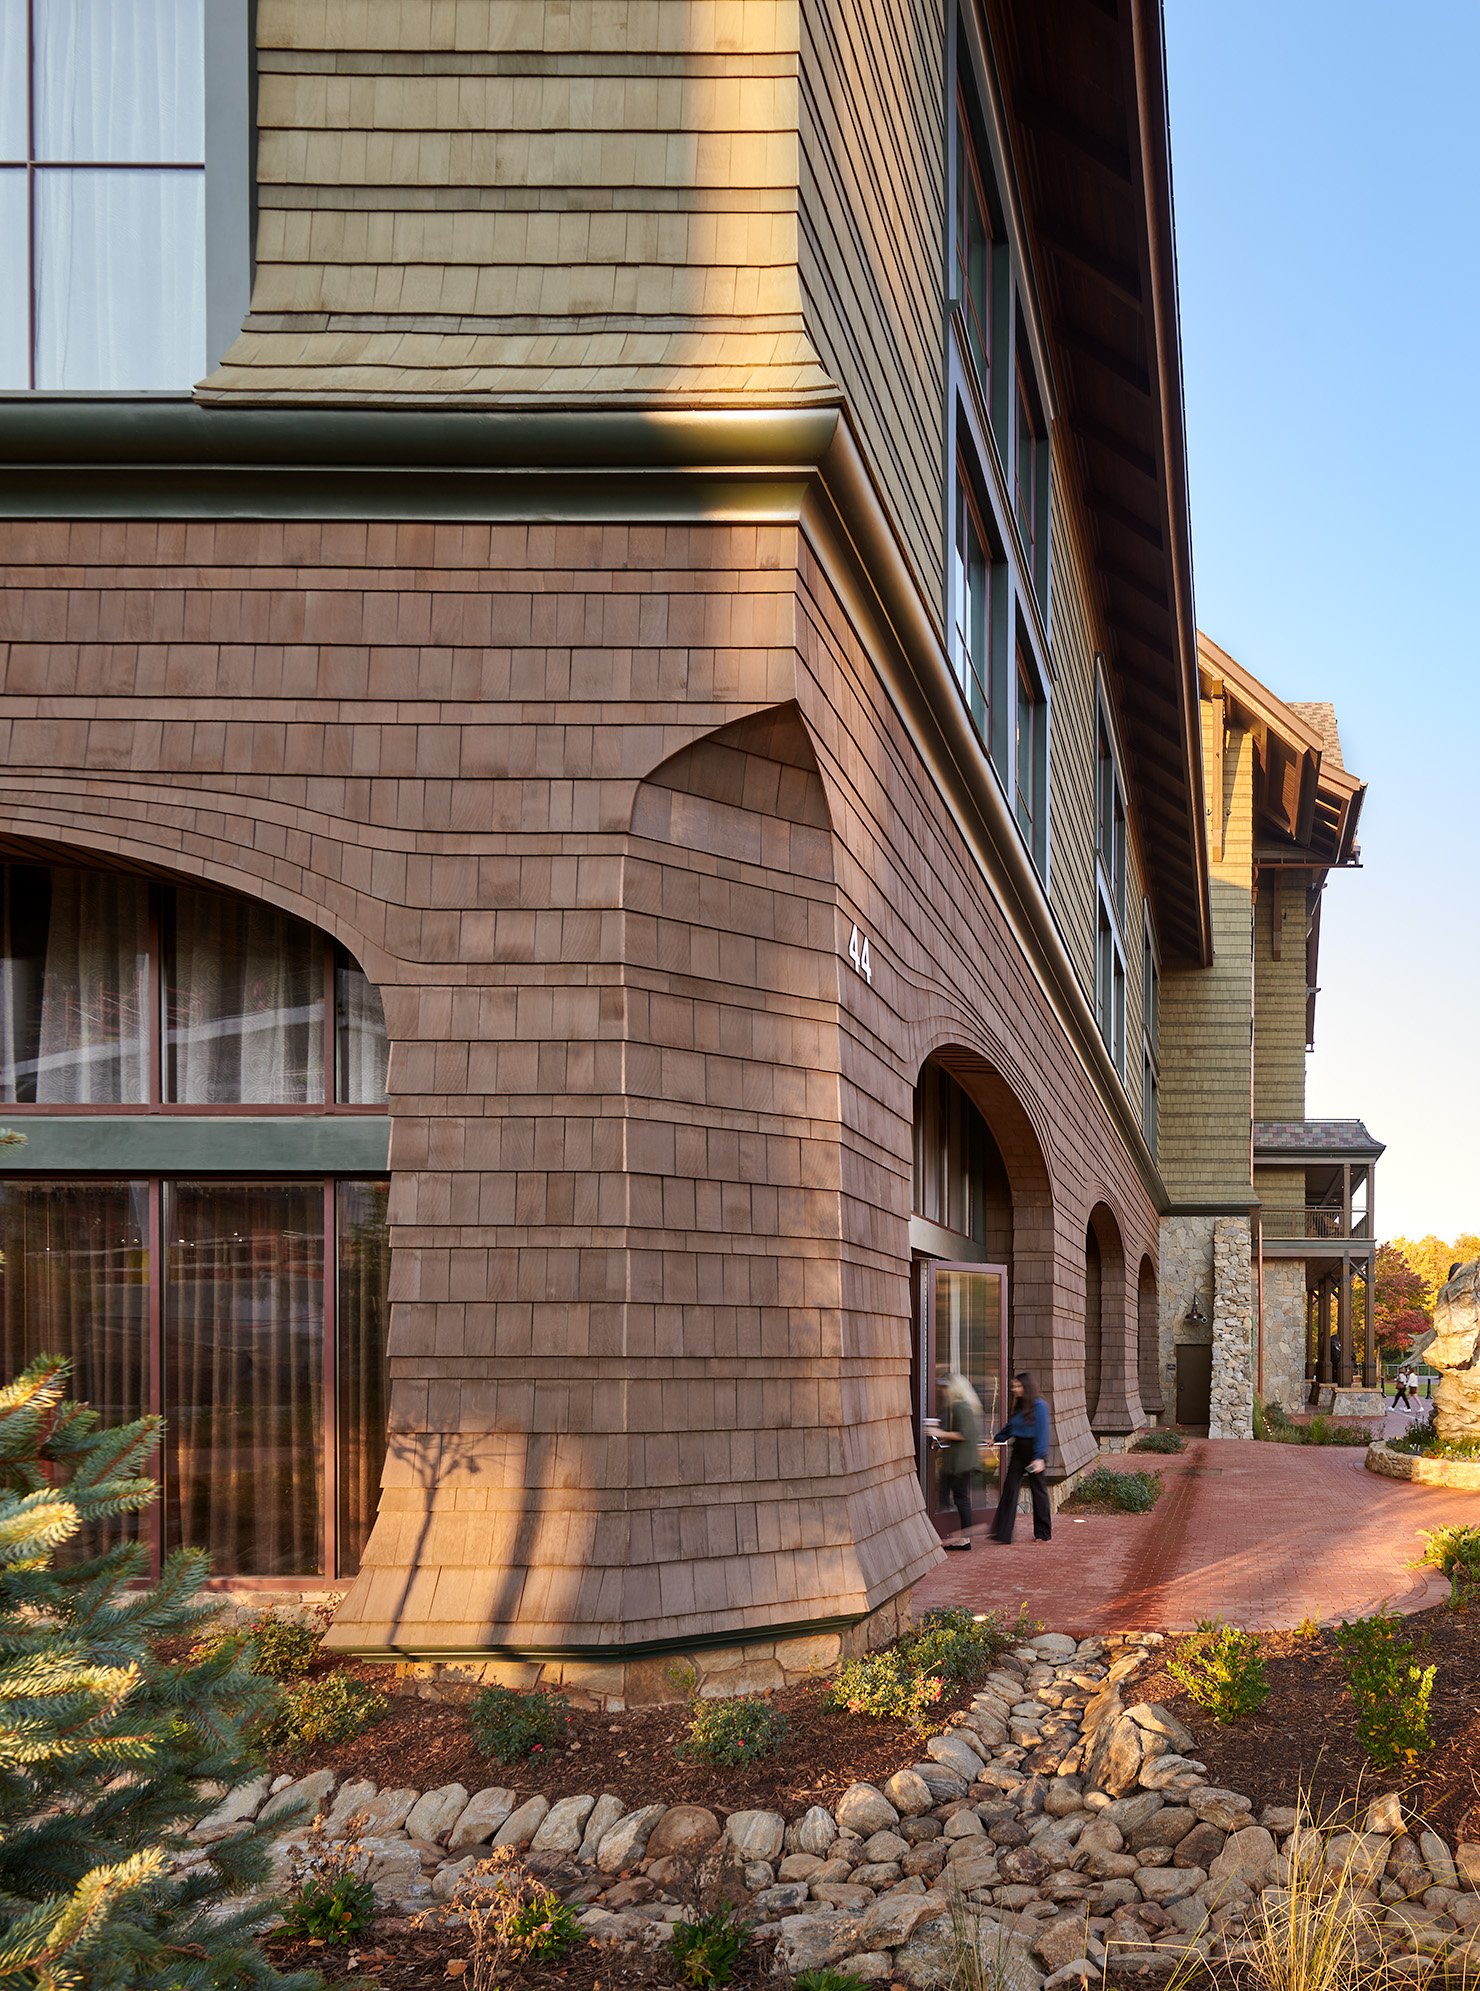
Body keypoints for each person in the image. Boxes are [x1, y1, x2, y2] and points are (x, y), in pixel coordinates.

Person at [992, 1371, 1052, 1544]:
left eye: (1018, 1386)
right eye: (1014, 1386)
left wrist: (1039, 1457)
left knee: (1038, 1491)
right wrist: (997, 1438)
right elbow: (1011, 1427)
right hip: (1019, 1450)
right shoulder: (1019, 1405)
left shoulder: (1039, 1406)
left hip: (1034, 1451)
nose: (1014, 1389)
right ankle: (1002, 1533)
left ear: (1027, 1387)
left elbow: (1042, 1432)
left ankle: (1043, 1533)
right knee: (1010, 1488)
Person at [936, 1373, 982, 1550]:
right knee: (957, 1497)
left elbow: (963, 1434)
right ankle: (963, 1538)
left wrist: (940, 1433)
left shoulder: (960, 1407)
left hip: (961, 1463)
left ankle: (965, 1539)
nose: (943, 1392)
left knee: (961, 1499)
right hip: (960, 1461)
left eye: (946, 1388)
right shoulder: (966, 1406)